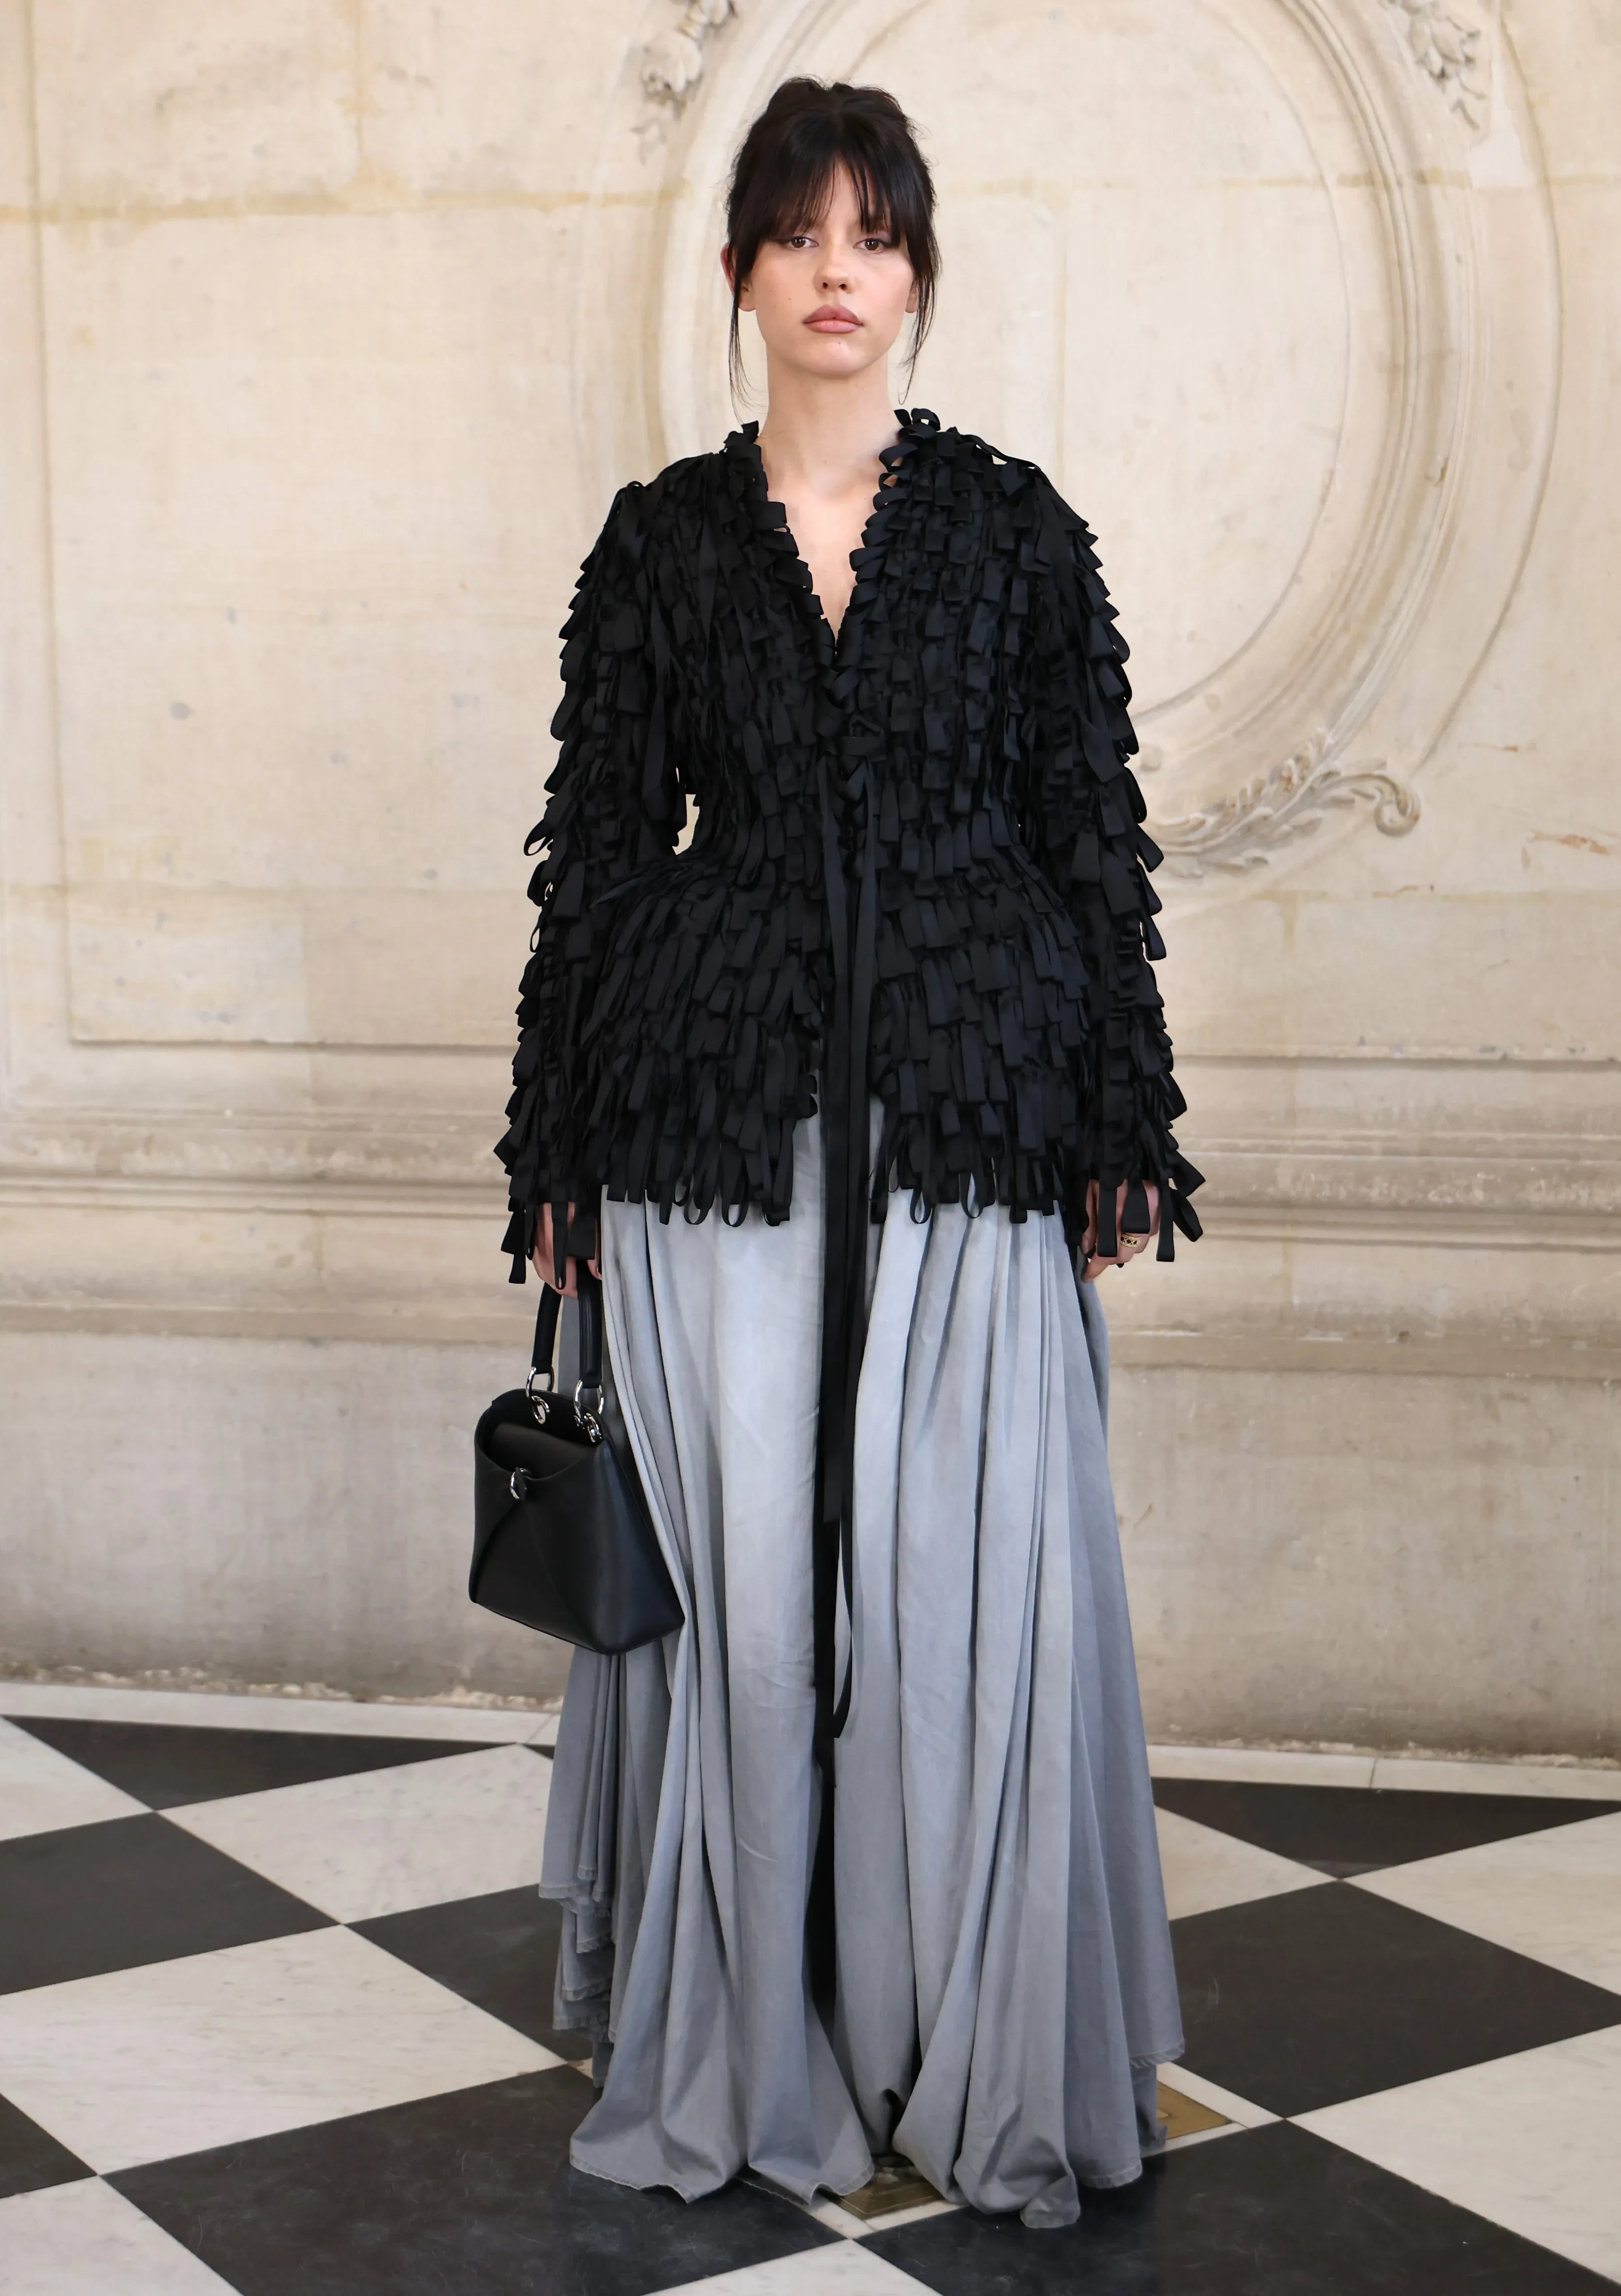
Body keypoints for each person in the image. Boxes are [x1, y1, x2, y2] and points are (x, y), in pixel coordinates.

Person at [495, 77, 1203, 2231]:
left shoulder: (1014, 532)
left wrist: (1121, 1118)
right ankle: (749, 2035)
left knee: (948, 1598)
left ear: (915, 273)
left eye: (873, 233)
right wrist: (553, 1147)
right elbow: (597, 860)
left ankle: (956, 2040)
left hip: (975, 1110)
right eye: (797, 233)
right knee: (740, 1612)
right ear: (737, 271)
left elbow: (1093, 843)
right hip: (707, 1127)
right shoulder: (658, 542)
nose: (835, 270)